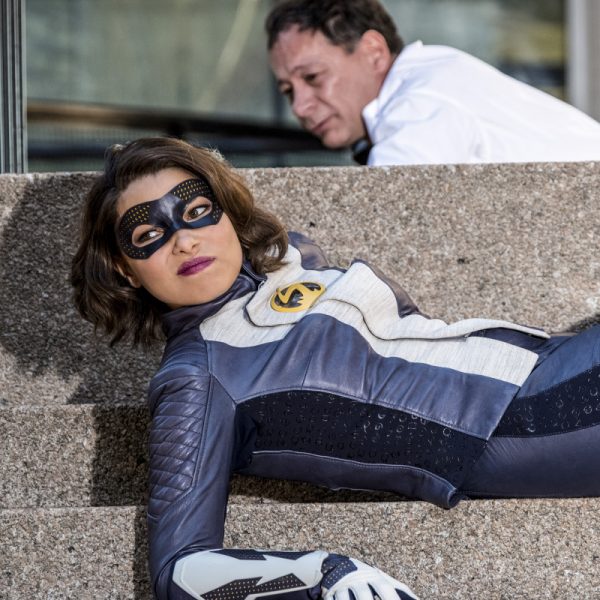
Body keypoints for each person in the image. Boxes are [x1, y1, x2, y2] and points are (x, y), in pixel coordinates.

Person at [71, 137, 600, 600]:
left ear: (227, 213)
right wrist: (319, 572)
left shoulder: (293, 260)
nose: (184, 240)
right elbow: (179, 569)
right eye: (149, 236)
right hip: (527, 422)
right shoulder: (197, 378)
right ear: (124, 268)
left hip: (556, 359)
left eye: (197, 210)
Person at [266, 0, 600, 166]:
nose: (300, 107)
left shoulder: (423, 100)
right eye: (288, 91)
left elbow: (384, 216)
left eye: (313, 77)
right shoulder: (435, 78)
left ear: (373, 52)